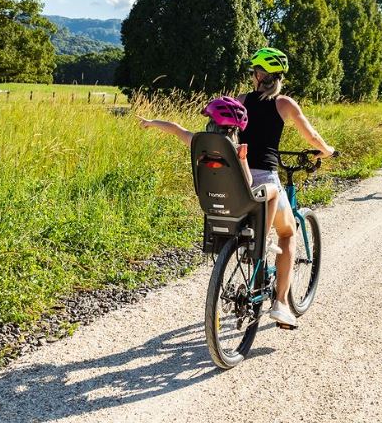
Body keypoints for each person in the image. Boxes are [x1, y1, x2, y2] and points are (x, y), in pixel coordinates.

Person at [238, 47, 335, 329]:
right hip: (266, 178)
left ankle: (250, 265)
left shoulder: (241, 100)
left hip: (240, 178)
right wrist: (326, 150)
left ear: (257, 75)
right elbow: (312, 135)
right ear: (279, 77)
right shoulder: (285, 104)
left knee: (254, 227)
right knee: (288, 232)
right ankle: (281, 302)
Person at [137, 96, 284, 253]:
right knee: (274, 190)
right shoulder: (237, 149)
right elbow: (248, 181)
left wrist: (150, 123)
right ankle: (263, 240)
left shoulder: (197, 142)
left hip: (208, 200)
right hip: (239, 203)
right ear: (235, 130)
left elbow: (176, 129)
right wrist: (243, 159)